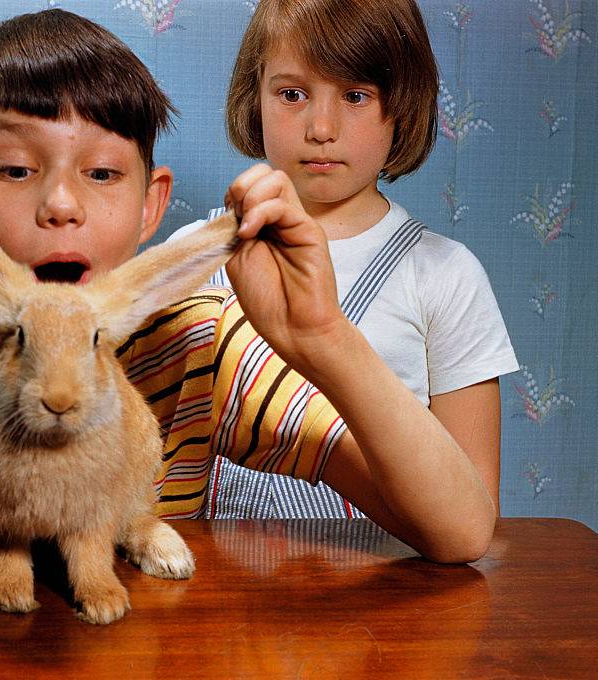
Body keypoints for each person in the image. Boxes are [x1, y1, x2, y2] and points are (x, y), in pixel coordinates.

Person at [0, 8, 497, 566]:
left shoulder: (201, 348)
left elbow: (458, 530)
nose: (60, 204)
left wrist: (322, 338)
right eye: (17, 168)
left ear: (152, 208)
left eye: (101, 173)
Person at [171, 0, 519, 523]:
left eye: (356, 95)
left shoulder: (445, 276)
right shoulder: (194, 253)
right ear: (254, 97)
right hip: (212, 590)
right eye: (292, 94)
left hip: (380, 590)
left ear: (403, 107)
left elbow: (474, 513)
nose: (321, 128)